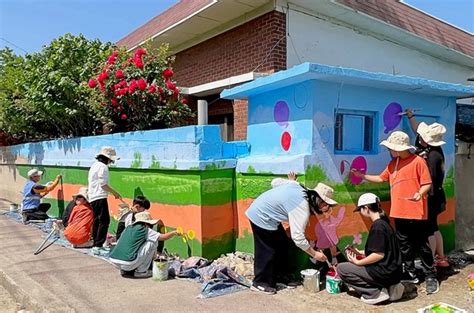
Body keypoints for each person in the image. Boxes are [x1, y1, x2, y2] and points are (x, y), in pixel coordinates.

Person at [352, 131, 439, 294]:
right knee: (404, 245)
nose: (389, 151)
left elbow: (427, 183)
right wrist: (362, 176)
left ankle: (431, 275)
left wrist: (420, 193)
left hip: (416, 212)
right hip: (398, 212)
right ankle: (411, 272)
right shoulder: (393, 164)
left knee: (422, 245)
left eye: (391, 148)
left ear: (399, 149)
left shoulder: (418, 161)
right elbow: (381, 178)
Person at [245, 172, 332, 295]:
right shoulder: (301, 207)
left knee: (282, 245)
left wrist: (291, 181)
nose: (326, 210)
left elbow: (274, 182)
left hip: (269, 216)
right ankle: (260, 283)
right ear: (317, 200)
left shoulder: (299, 187)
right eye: (326, 206)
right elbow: (298, 238)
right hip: (260, 216)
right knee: (267, 251)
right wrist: (315, 254)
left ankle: (280, 277)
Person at [337, 193, 403, 305]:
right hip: (394, 273)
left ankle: (374, 293)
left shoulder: (377, 227)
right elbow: (382, 250)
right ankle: (391, 287)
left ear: (366, 208)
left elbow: (378, 254)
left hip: (384, 273)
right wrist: (358, 252)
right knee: (358, 266)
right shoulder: (385, 224)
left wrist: (358, 261)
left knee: (341, 269)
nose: (361, 213)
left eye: (360, 210)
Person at [406, 109, 449, 267]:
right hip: (437, 195)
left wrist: (421, 194)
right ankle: (441, 258)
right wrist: (411, 117)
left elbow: (428, 179)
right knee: (434, 227)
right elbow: (417, 128)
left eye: (422, 136)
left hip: (430, 196)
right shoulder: (433, 150)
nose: (419, 137)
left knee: (428, 230)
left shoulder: (432, 156)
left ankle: (429, 261)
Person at [109, 212, 179, 278]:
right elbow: (163, 237)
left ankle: (125, 270)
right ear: (146, 223)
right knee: (153, 242)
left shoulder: (128, 227)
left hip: (114, 261)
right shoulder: (145, 229)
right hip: (128, 263)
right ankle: (142, 271)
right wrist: (174, 233)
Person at [88, 147, 122, 247]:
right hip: (99, 196)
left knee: (97, 220)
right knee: (104, 221)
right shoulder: (103, 167)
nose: (111, 162)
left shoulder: (94, 165)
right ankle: (98, 245)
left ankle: (95, 241)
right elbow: (103, 185)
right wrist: (114, 193)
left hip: (93, 196)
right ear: (107, 158)